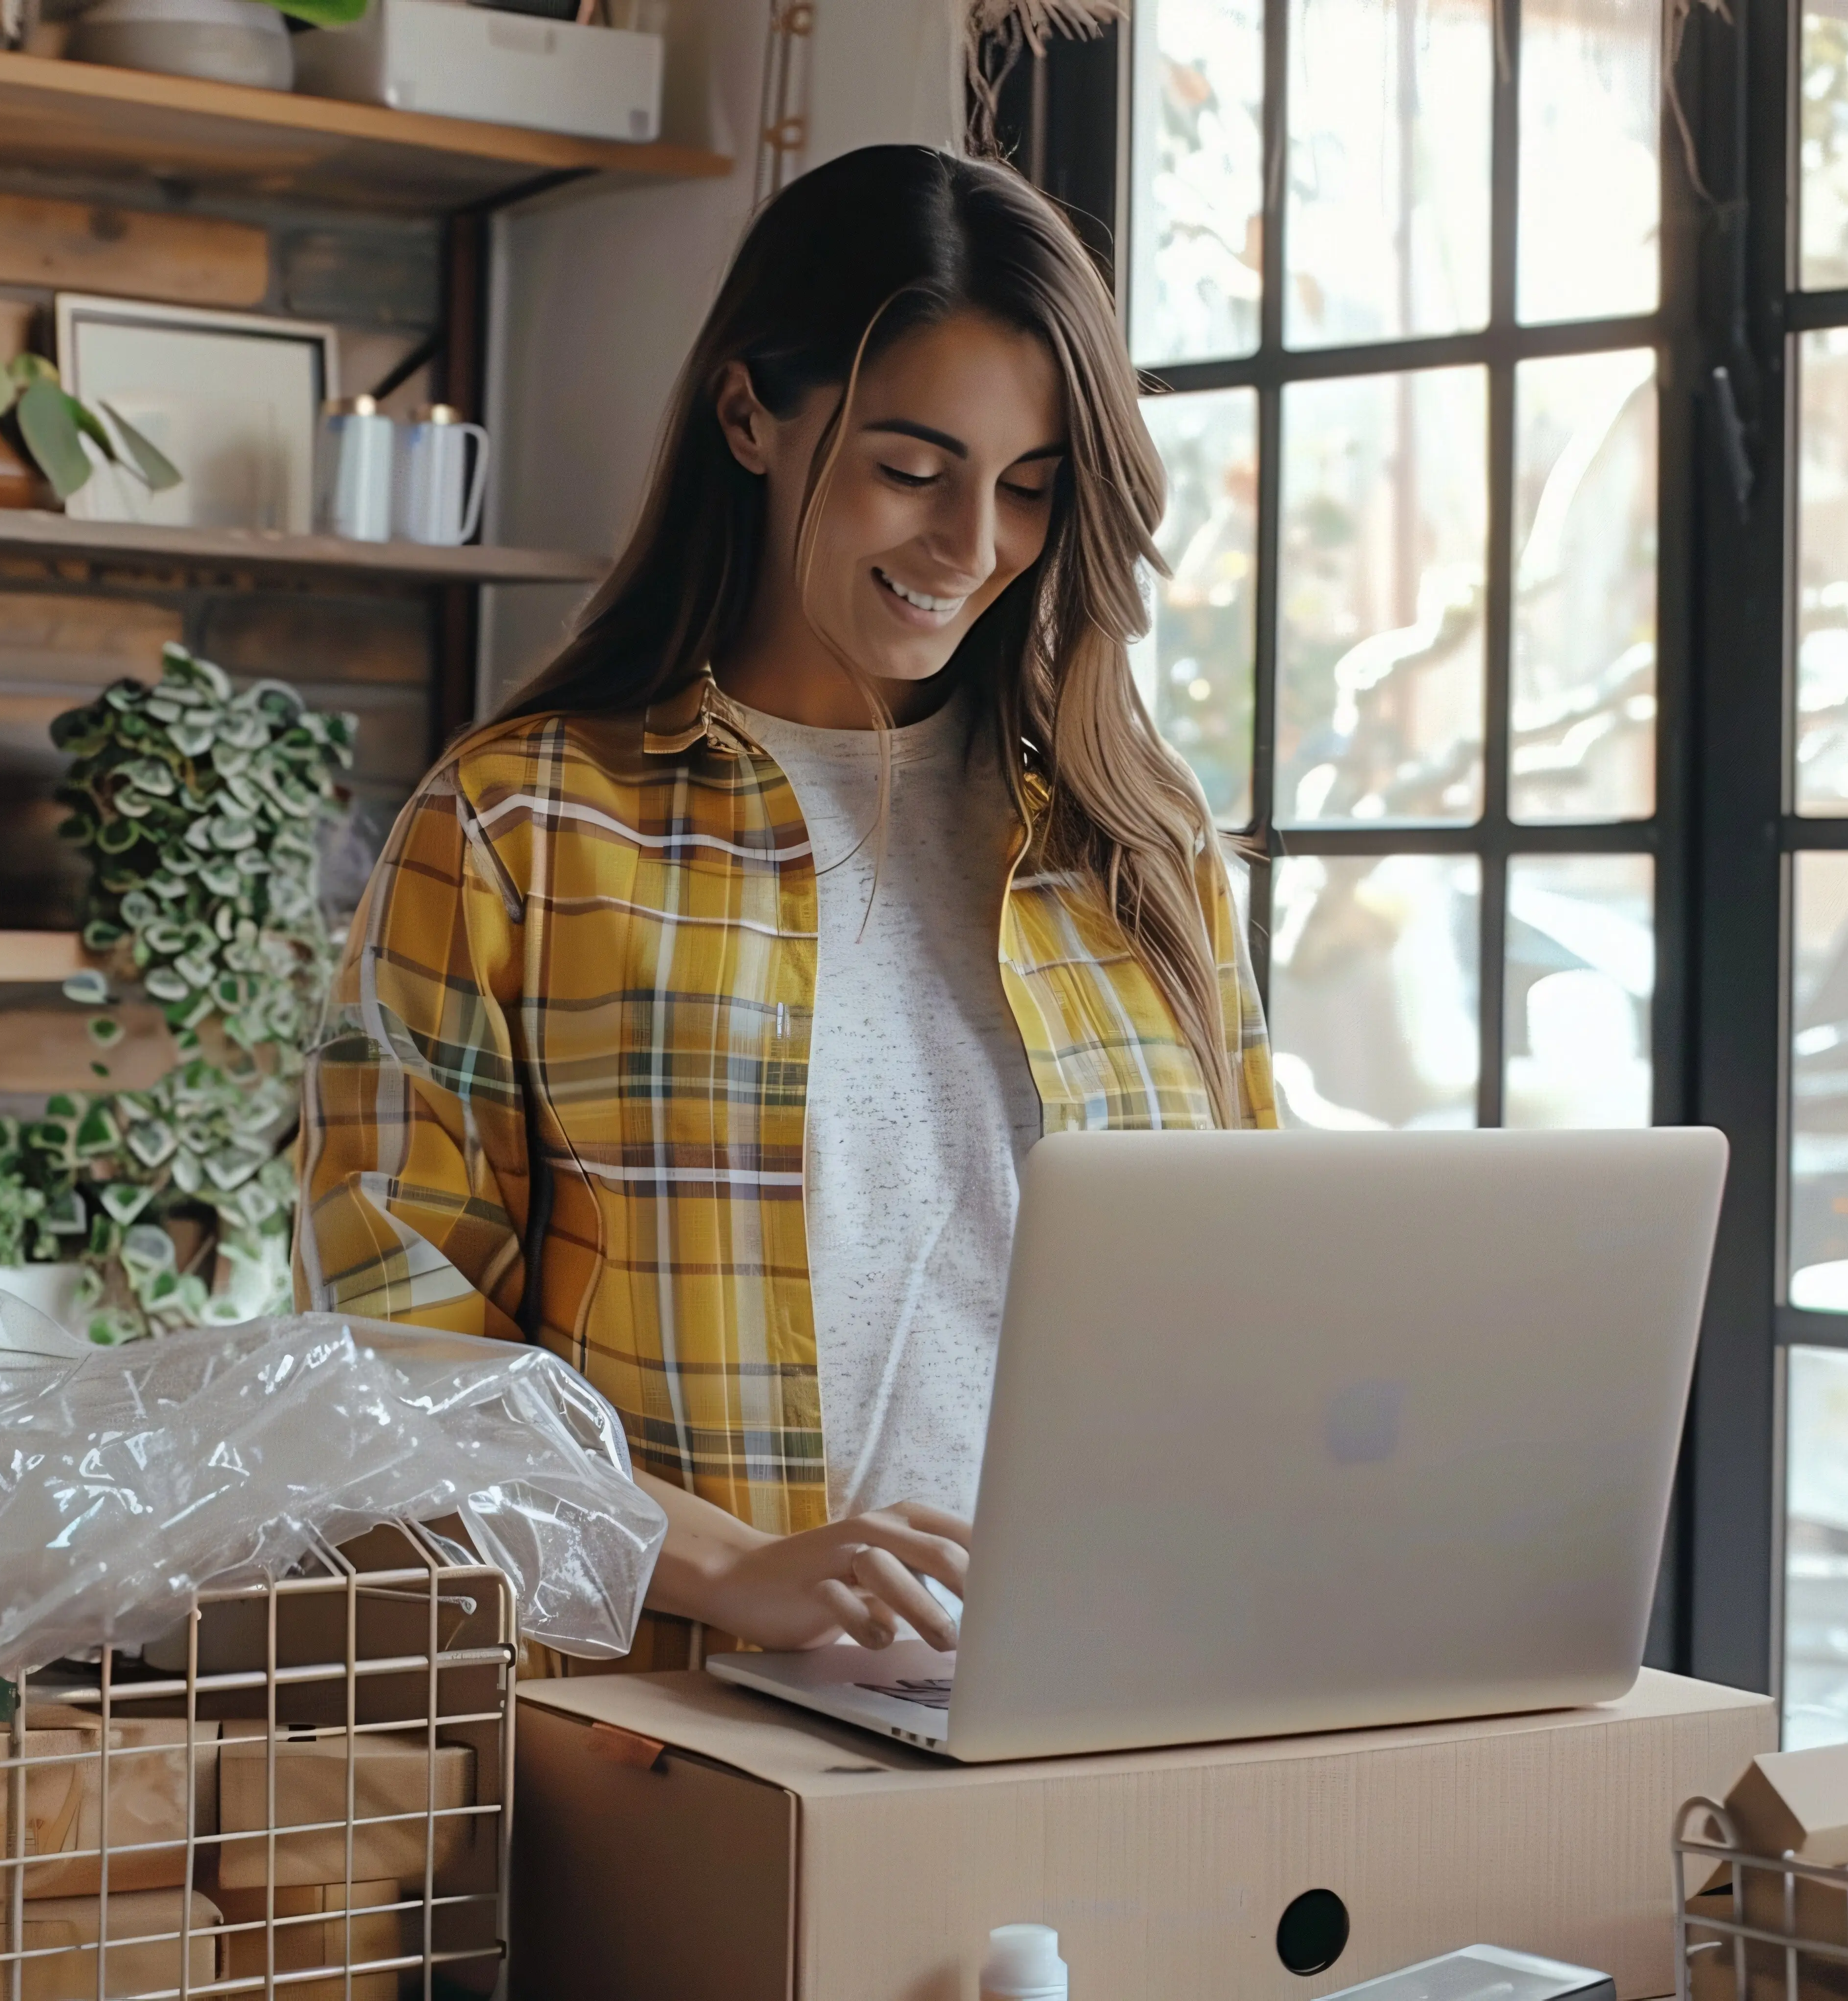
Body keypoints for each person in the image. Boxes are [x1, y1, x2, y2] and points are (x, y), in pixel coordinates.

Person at [295, 144, 1278, 1674]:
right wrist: (729, 1568)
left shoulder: (1138, 849)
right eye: (909, 469)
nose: (970, 551)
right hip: (698, 1736)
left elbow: (1263, 1311)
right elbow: (393, 1352)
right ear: (750, 414)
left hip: (1113, 1687)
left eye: (1029, 490)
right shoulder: (518, 829)